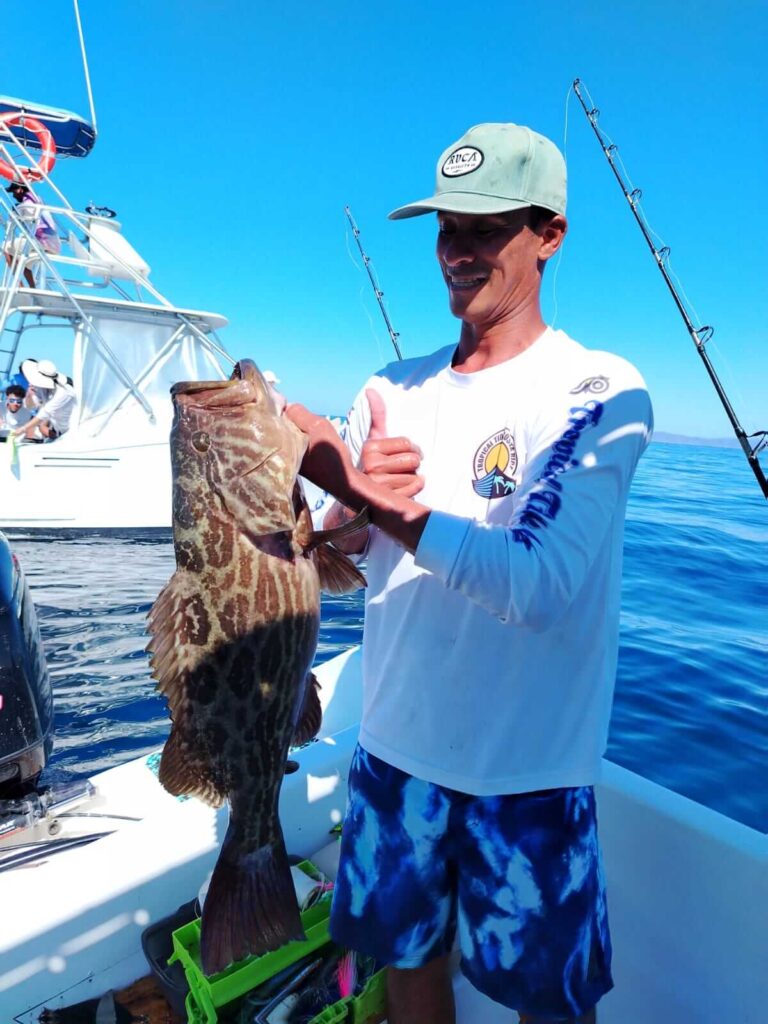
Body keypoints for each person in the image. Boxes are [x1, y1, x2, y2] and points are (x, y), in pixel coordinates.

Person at [287, 122, 653, 1024]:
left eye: (486, 228)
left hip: (529, 774)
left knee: (550, 1006)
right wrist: (336, 518)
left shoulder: (601, 389)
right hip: (394, 754)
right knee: (407, 970)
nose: (457, 251)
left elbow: (536, 583)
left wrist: (371, 498)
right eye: (447, 227)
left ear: (549, 234)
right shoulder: (389, 387)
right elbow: (340, 556)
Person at [3, 181, 61, 288]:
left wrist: (16, 212)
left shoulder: (27, 203)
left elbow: (29, 216)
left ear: (20, 189)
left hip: (41, 241)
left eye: (14, 192)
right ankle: (32, 289)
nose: (14, 195)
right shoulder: (37, 200)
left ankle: (19, 286)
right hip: (53, 244)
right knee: (23, 260)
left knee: (5, 248)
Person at [14, 358, 76, 440]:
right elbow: (30, 406)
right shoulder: (41, 386)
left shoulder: (65, 391)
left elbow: (44, 413)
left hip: (73, 432)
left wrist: (23, 429)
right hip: (58, 431)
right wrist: (29, 394)